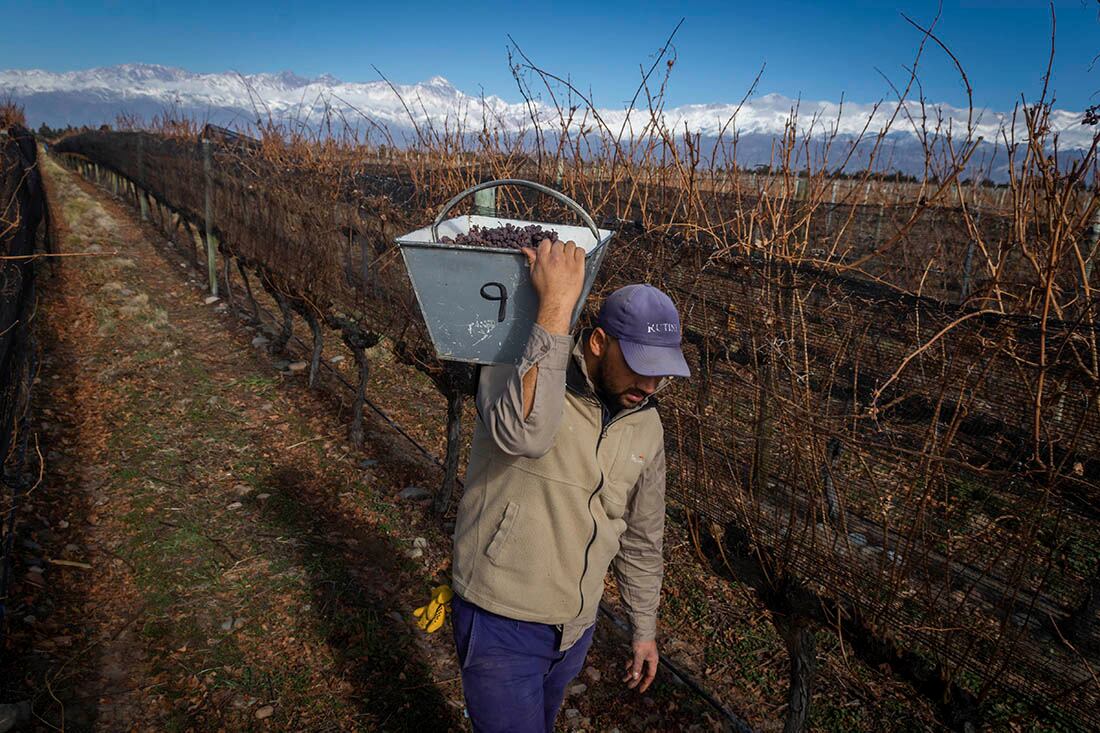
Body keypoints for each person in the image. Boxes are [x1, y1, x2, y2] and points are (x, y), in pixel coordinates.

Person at [450, 237, 691, 732]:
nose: (650, 387)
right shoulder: (514, 368)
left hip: (575, 629)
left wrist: (644, 630)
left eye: (661, 374)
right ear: (598, 343)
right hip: (501, 618)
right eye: (641, 368)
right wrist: (556, 303)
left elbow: (642, 538)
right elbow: (525, 434)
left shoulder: (646, 423)